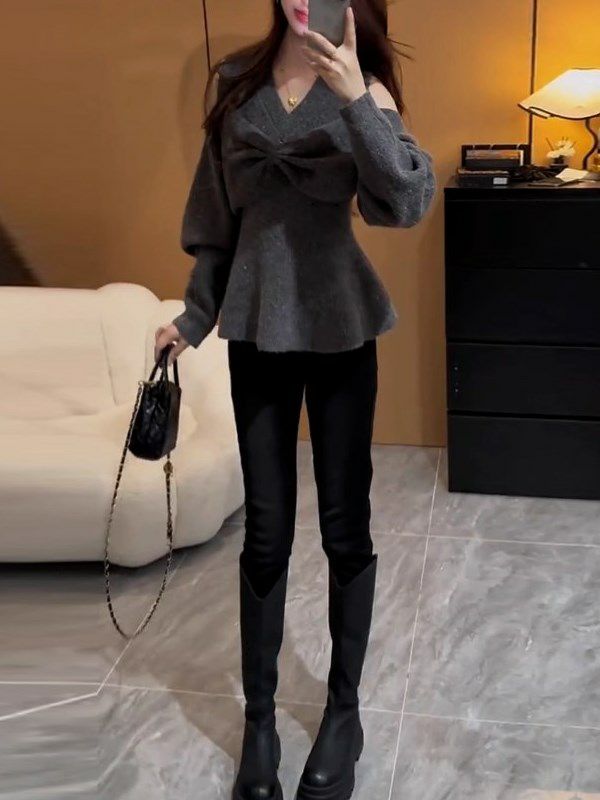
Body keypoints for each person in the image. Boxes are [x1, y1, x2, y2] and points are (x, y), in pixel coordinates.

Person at [155, 1, 436, 798]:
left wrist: (355, 99)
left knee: (346, 527)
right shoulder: (236, 82)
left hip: (341, 324)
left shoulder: (365, 86)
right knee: (267, 534)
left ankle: (344, 713)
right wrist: (193, 317)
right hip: (256, 325)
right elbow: (216, 217)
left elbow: (405, 203)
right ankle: (260, 723)